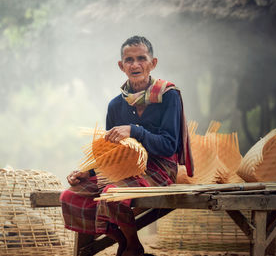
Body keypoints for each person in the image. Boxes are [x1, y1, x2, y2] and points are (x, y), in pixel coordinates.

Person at [60, 36, 194, 256]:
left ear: (153, 63)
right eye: (129, 60)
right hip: (121, 170)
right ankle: (127, 242)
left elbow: (169, 145)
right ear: (121, 66)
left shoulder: (168, 97)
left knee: (112, 193)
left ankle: (131, 245)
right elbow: (111, 154)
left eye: (142, 58)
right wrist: (88, 171)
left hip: (159, 168)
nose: (135, 64)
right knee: (70, 196)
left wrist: (135, 130)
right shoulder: (115, 105)